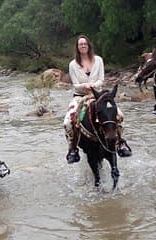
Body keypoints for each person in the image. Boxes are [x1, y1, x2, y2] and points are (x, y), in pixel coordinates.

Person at [63, 35, 131, 164]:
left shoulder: (98, 60)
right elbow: (75, 84)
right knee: (67, 122)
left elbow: (102, 79)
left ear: (89, 45)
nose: (83, 46)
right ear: (77, 47)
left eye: (85, 44)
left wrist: (95, 85)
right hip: (80, 96)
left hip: (98, 95)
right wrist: (85, 86)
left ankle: (120, 142)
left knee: (119, 116)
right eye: (80, 44)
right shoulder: (73, 64)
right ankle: (72, 149)